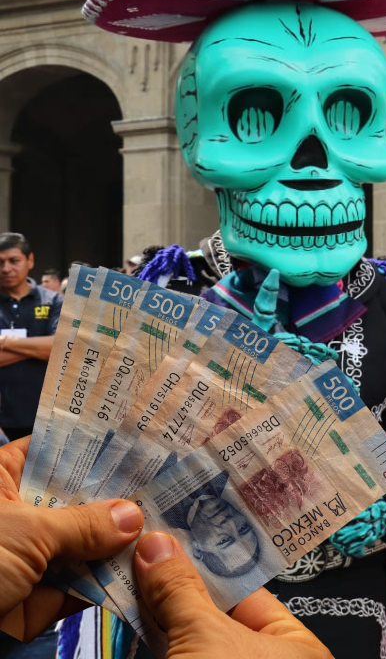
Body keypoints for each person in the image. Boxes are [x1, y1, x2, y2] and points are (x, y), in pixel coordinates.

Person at [87, 0, 386, 659]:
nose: (311, 165)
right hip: (196, 602)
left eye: (347, 117)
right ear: (194, 132)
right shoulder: (166, 291)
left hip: (352, 603)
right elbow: (99, 451)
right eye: (258, 115)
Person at [0, 437, 334, 659]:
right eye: (242, 528)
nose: (227, 522)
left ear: (198, 553)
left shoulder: (147, 526)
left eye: (224, 539)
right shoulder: (218, 472)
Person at [0, 233, 62, 442]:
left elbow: (60, 348)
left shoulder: (53, 300)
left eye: (14, 261)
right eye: (0, 262)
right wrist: (38, 348)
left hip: (46, 418)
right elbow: (49, 348)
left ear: (30, 260)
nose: (6, 268)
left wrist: (6, 343)